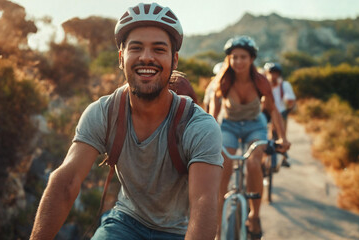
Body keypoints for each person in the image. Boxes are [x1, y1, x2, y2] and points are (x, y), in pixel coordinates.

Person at [30, 3, 224, 240]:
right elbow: (66, 181)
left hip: (179, 232)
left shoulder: (199, 126)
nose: (146, 57)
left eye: (159, 49)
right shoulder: (103, 113)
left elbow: (204, 203)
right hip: (124, 224)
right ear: (122, 57)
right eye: (136, 48)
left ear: (174, 61)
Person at [209, 36, 290, 239]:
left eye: (243, 57)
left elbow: (274, 111)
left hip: (255, 126)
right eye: (234, 57)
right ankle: (217, 230)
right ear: (228, 58)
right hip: (229, 127)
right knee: (223, 166)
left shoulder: (260, 81)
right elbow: (212, 114)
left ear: (252, 58)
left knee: (254, 163)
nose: (238, 61)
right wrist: (207, 138)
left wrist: (283, 138)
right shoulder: (224, 80)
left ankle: (254, 215)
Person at [263, 62, 296, 167]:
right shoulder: (262, 84)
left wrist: (288, 107)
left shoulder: (284, 85)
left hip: (280, 113)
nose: (273, 76)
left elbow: (290, 100)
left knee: (278, 136)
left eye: (275, 73)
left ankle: (282, 155)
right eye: (270, 73)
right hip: (265, 112)